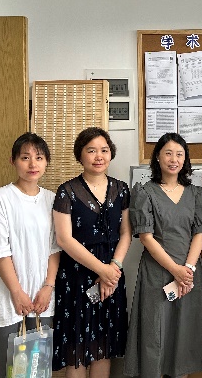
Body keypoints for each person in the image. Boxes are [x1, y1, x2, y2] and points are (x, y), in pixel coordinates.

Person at [124, 133, 202, 378]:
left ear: (185, 159)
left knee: (183, 336)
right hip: (157, 273)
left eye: (179, 154)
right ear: (158, 157)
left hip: (189, 274)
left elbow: (199, 233)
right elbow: (146, 237)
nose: (174, 159)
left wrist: (187, 270)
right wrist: (175, 270)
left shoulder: (196, 193)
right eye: (168, 153)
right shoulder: (144, 191)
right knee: (156, 334)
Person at [0, 132, 61, 378]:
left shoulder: (53, 200)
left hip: (41, 298)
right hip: (8, 297)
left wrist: (48, 286)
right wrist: (16, 292)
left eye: (39, 157)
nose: (32, 164)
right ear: (13, 161)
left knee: (37, 368)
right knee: (9, 368)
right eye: (25, 157)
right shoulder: (0, 198)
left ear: (46, 162)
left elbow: (55, 247)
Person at [52, 127, 132, 378]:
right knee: (76, 349)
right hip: (76, 276)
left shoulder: (121, 189)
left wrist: (113, 269)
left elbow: (126, 233)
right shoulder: (66, 191)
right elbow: (64, 239)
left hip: (113, 275)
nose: (99, 156)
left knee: (102, 347)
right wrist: (102, 271)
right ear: (80, 155)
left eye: (104, 150)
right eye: (91, 150)